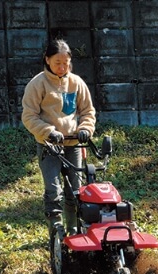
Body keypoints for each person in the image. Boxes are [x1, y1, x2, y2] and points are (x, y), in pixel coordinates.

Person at [21, 39, 96, 234]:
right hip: (49, 146)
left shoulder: (77, 83)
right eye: (57, 63)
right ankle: (56, 231)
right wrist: (49, 131)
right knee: (54, 191)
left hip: (74, 145)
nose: (62, 67)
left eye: (66, 63)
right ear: (47, 60)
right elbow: (29, 116)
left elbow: (88, 111)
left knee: (76, 191)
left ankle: (73, 230)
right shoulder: (38, 84)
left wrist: (86, 129)